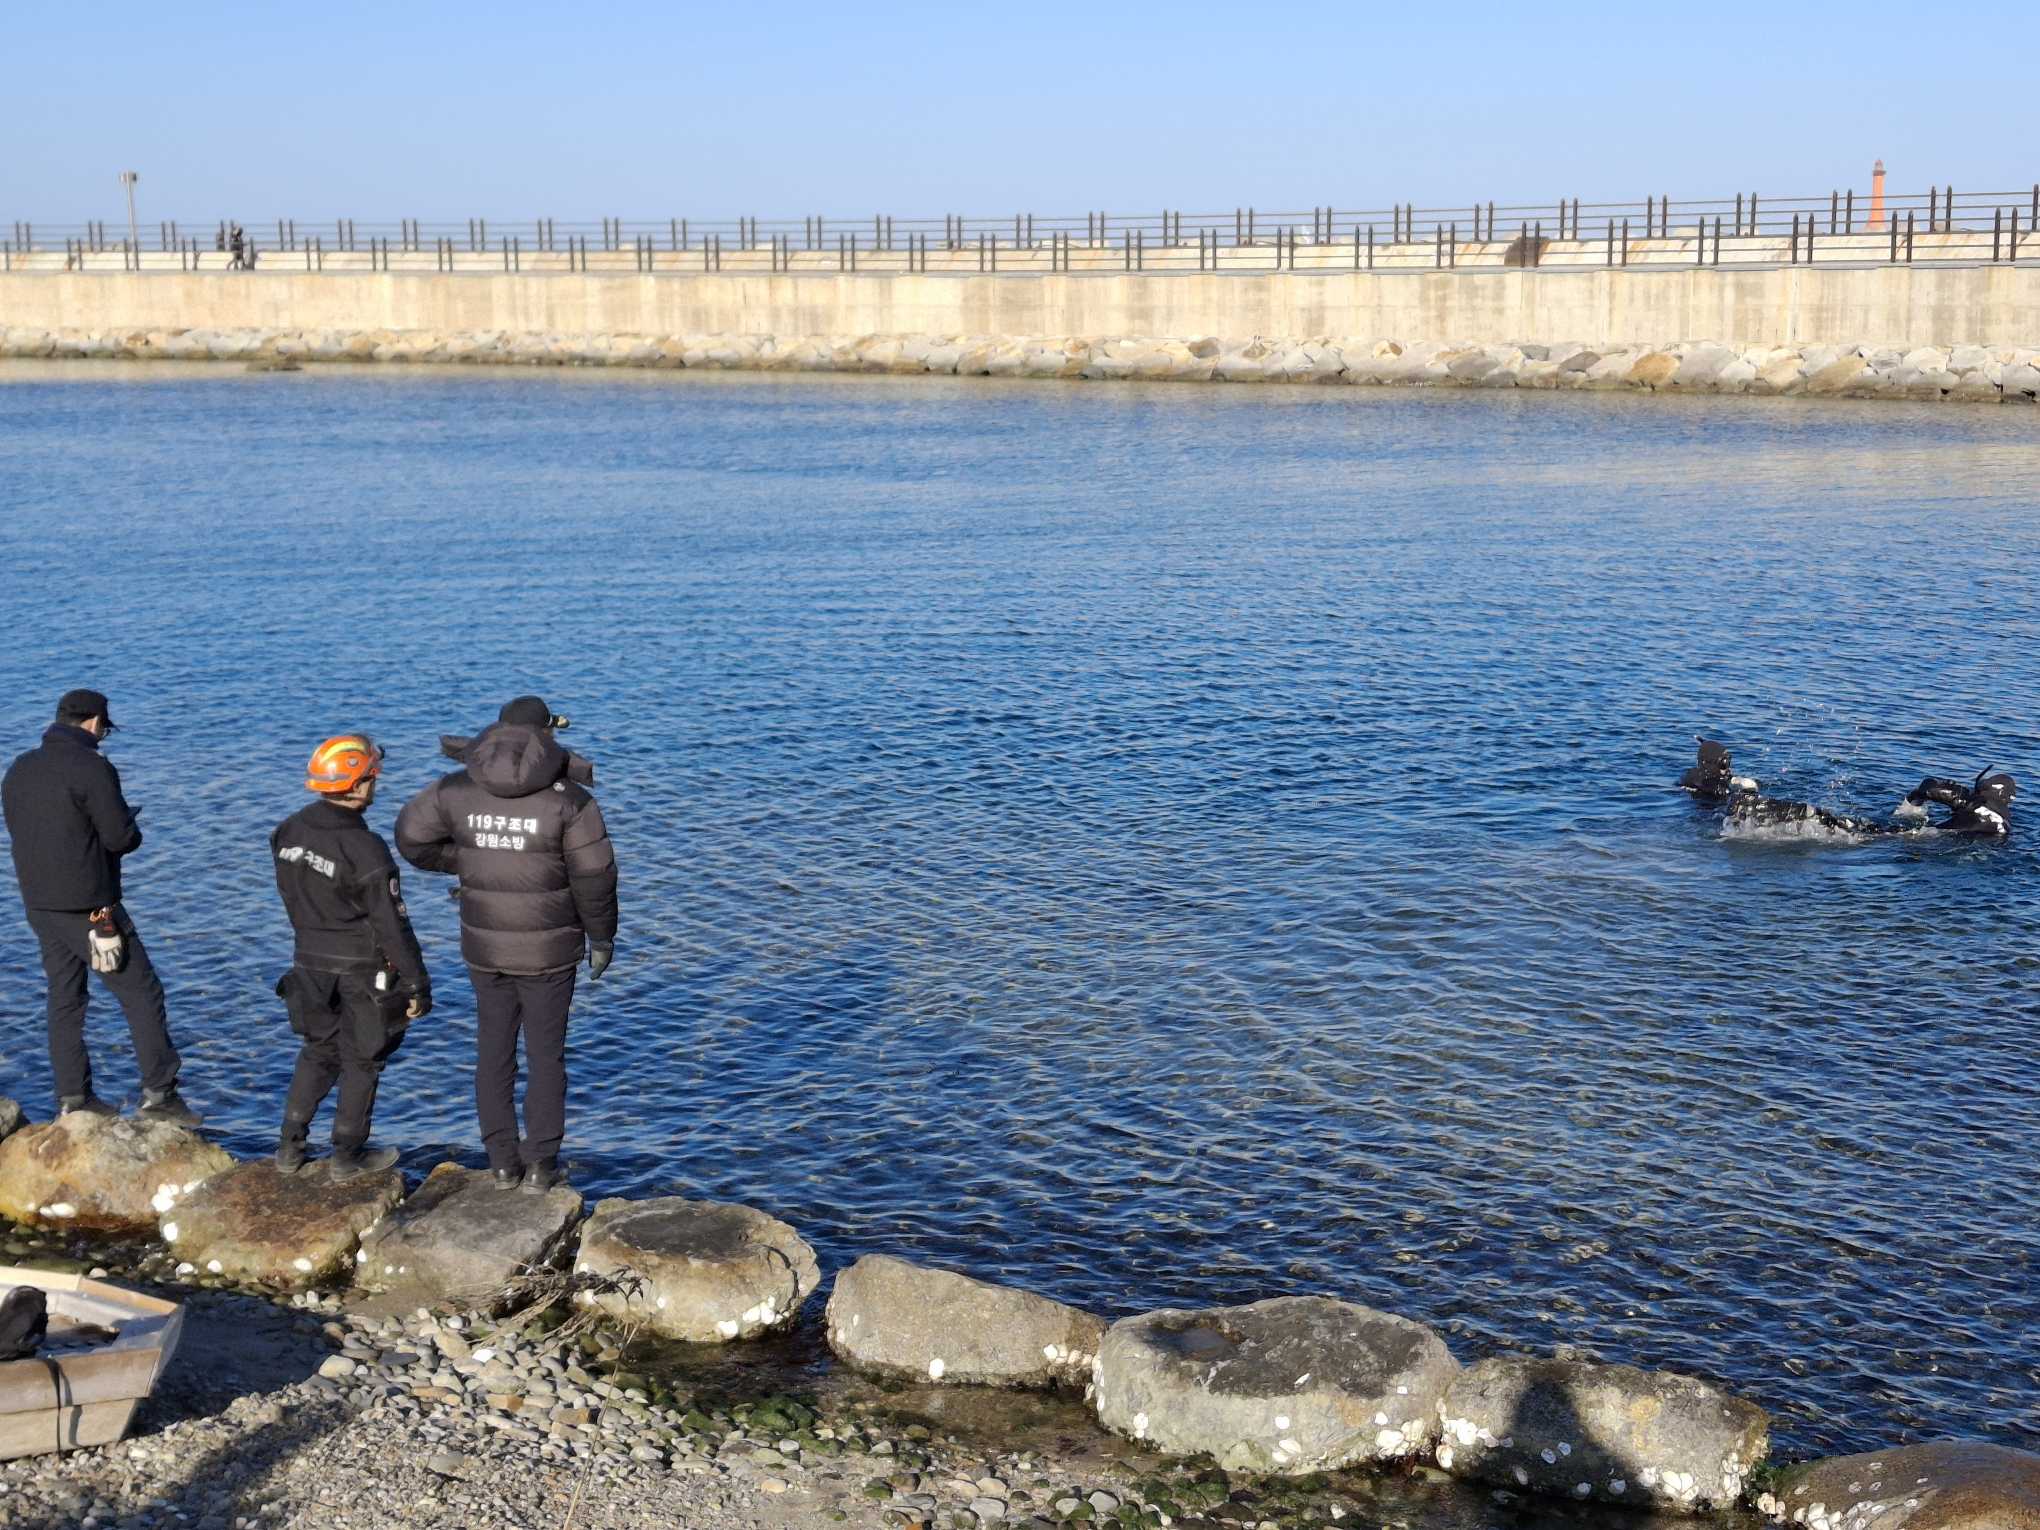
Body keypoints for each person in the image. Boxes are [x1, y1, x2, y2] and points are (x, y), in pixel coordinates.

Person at [396, 697, 617, 1192]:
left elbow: (411, 838)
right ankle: (540, 1165)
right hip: (550, 953)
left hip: (485, 948)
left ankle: (501, 1163)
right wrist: (602, 936)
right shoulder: (571, 800)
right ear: (546, 735)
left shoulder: (455, 789)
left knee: (493, 1050)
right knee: (545, 1056)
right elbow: (595, 874)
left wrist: (470, 861)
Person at [1, 689, 199, 1124]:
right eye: (105, 728)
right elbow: (119, 838)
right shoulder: (93, 767)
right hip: (92, 907)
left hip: (39, 903)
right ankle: (160, 1095)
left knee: (65, 998)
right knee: (141, 992)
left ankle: (73, 1097)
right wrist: (129, 824)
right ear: (94, 723)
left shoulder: (20, 767)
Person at [270, 735, 432, 1179]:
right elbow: (392, 924)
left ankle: (289, 1148)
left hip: (307, 960)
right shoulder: (365, 848)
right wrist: (417, 983)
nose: (376, 783)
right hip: (360, 967)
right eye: (373, 776)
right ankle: (347, 1155)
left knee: (318, 1050)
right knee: (363, 1058)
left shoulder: (288, 831)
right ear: (358, 785)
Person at [1679, 738, 2016, 838]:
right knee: (1853, 829)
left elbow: (1933, 786)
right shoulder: (2002, 824)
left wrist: (1912, 804)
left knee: (1839, 824)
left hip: (1910, 838)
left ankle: (1761, 812)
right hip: (1933, 842)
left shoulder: (1977, 806)